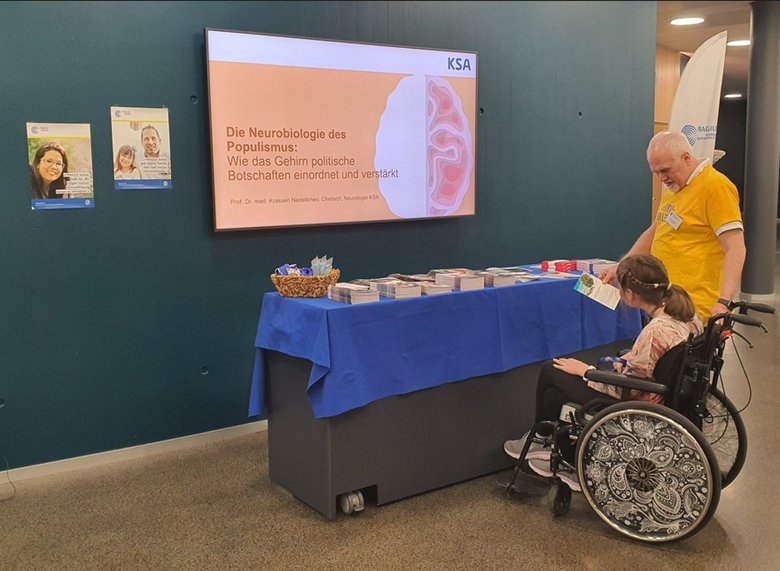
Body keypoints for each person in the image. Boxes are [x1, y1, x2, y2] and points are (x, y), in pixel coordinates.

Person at [504, 254, 703, 487]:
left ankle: (540, 438)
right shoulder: (689, 315)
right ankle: (563, 450)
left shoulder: (654, 331)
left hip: (636, 401)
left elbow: (630, 388)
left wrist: (587, 372)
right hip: (665, 392)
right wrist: (626, 360)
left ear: (630, 294)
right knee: (554, 395)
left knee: (552, 369)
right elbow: (652, 361)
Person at [600, 131, 746, 322]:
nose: (661, 178)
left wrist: (724, 301)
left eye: (665, 170)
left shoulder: (716, 187)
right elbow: (657, 230)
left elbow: (735, 248)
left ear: (686, 158)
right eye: (656, 172)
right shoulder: (674, 186)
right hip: (666, 304)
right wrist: (623, 266)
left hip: (696, 308)